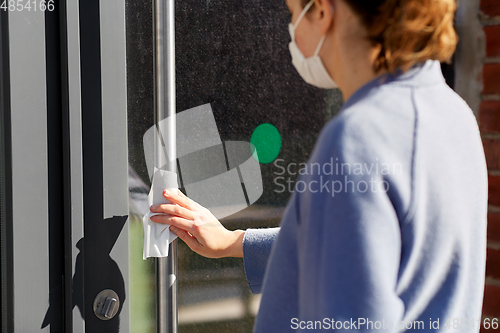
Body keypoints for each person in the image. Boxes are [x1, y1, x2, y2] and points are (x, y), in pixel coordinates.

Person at [149, 0, 488, 331]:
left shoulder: (359, 137)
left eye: (293, 13)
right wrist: (233, 242)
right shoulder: (454, 115)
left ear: (322, 11)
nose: (291, 31)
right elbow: (359, 248)